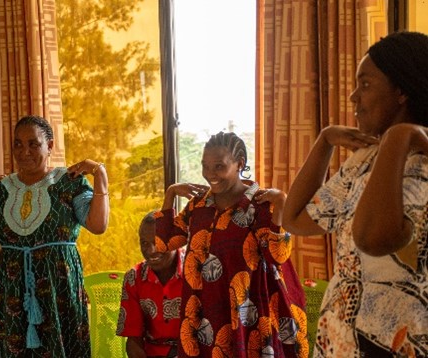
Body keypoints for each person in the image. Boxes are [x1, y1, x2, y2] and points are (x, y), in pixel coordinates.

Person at [283, 31, 428, 357]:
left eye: (365, 85)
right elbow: (293, 219)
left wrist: (399, 137)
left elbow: (372, 239)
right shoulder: (363, 161)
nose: (352, 97)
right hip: (340, 336)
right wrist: (325, 142)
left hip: (395, 338)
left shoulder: (422, 161)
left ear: (402, 91)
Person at [0, 115, 109, 357]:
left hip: (59, 287)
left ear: (50, 146)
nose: (25, 152)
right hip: (13, 291)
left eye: (34, 144)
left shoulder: (69, 183)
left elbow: (97, 225)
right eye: (18, 144)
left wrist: (100, 173)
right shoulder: (0, 192)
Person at [154, 131, 308, 357]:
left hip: (248, 316)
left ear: (240, 164)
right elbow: (165, 242)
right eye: (205, 166)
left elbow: (278, 256)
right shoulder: (198, 206)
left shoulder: (260, 204)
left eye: (218, 166)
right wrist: (171, 193)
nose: (209, 174)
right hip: (204, 311)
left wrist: (282, 203)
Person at [116, 212, 184, 358]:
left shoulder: (196, 271)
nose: (151, 251)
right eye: (144, 243)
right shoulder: (134, 278)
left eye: (157, 242)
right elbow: (134, 339)